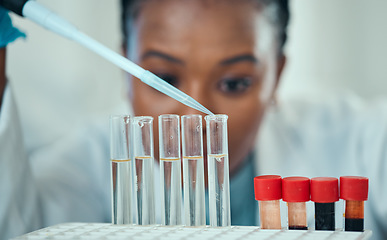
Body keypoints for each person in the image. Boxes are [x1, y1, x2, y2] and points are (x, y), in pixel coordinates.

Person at [0, 0, 386, 239]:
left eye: (234, 83)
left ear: (277, 76)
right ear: (125, 69)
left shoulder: (352, 139)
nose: (196, 117)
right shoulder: (83, 165)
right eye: (165, 80)